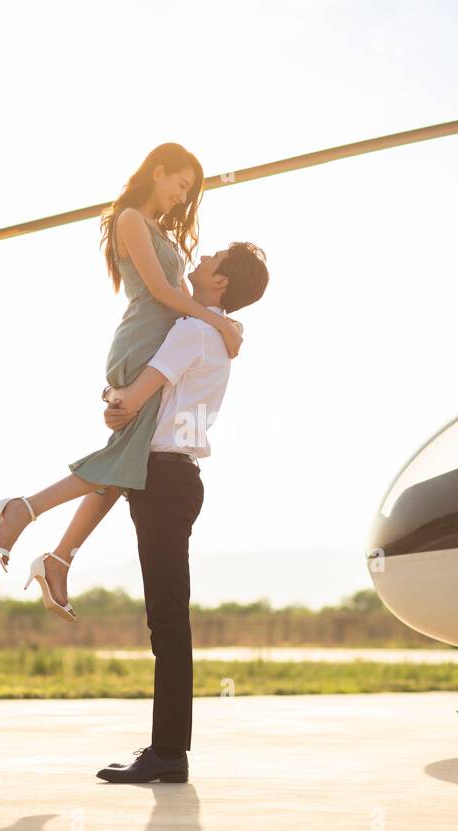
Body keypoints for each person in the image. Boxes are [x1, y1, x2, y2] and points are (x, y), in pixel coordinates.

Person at [0, 144, 248, 622]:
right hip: (139, 344)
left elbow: (185, 302)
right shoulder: (130, 220)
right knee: (125, 463)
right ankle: (26, 512)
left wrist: (223, 322)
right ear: (158, 172)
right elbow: (164, 295)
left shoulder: (159, 231)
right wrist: (219, 323)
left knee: (126, 467)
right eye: (181, 185)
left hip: (154, 347)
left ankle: (56, 555)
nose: (183, 198)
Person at [94, 241, 269, 784]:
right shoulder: (214, 334)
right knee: (170, 618)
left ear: (219, 282)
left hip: (164, 477)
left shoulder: (192, 331)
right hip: (178, 477)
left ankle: (168, 753)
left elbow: (131, 401)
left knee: (167, 620)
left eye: (209, 259)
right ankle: (169, 749)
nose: (197, 261)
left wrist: (112, 397)